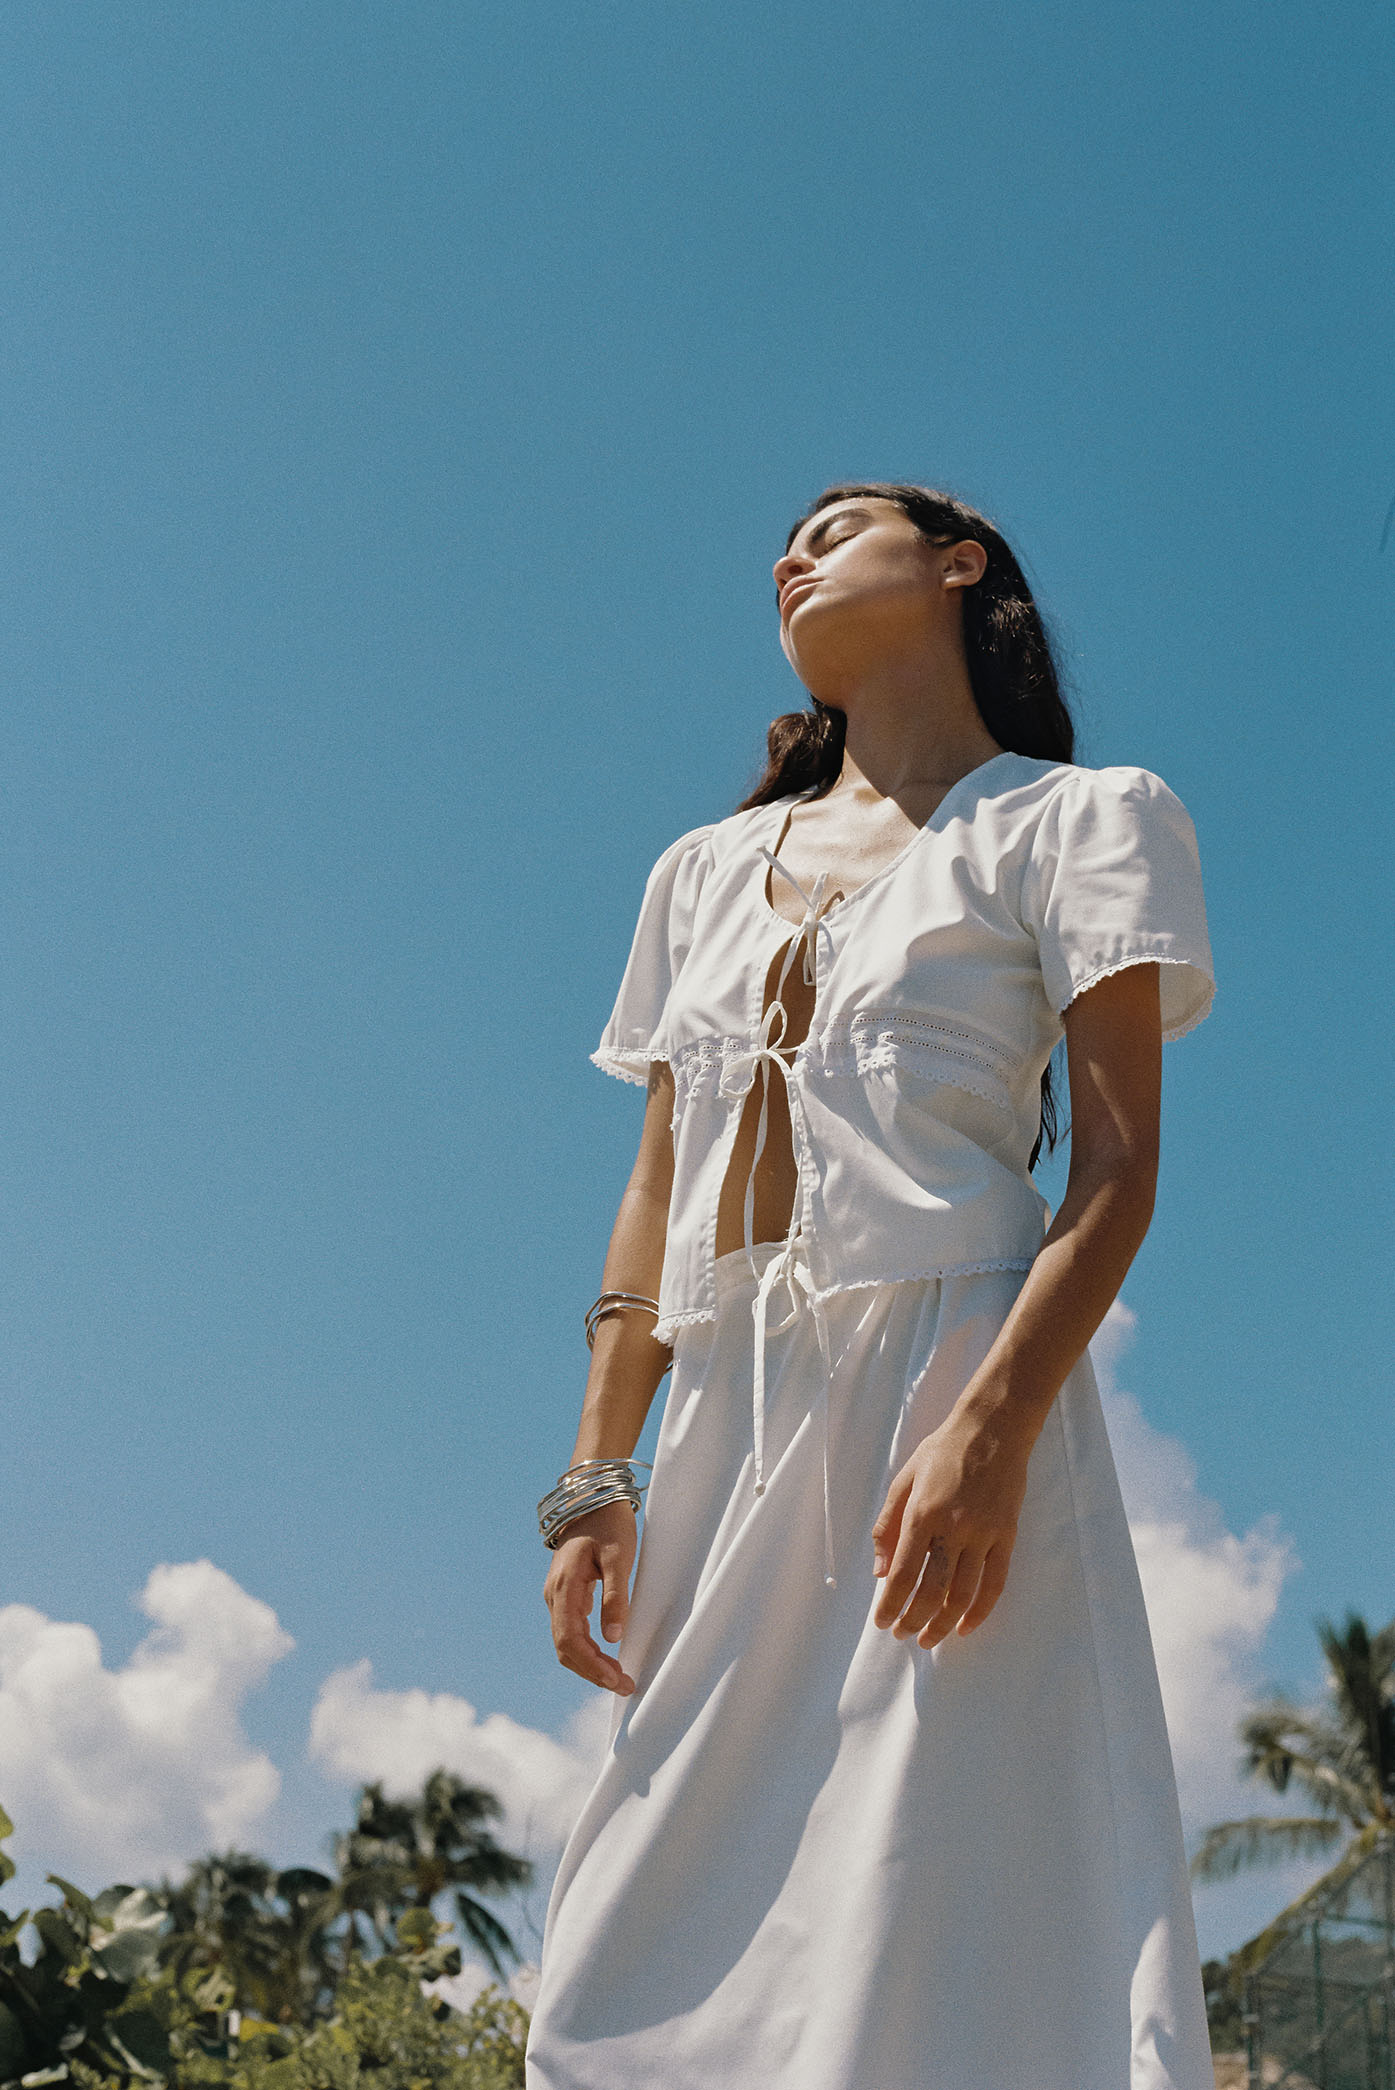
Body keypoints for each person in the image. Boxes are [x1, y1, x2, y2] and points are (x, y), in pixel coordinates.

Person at [524, 483, 1218, 2090]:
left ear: (961, 563)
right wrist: (594, 1473)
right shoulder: (699, 868)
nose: (793, 552)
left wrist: (992, 1429)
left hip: (955, 1401)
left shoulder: (1083, 815)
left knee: (945, 1926)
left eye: (838, 524)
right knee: (620, 1963)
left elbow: (1115, 1173)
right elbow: (654, 1192)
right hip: (721, 1418)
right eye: (786, 541)